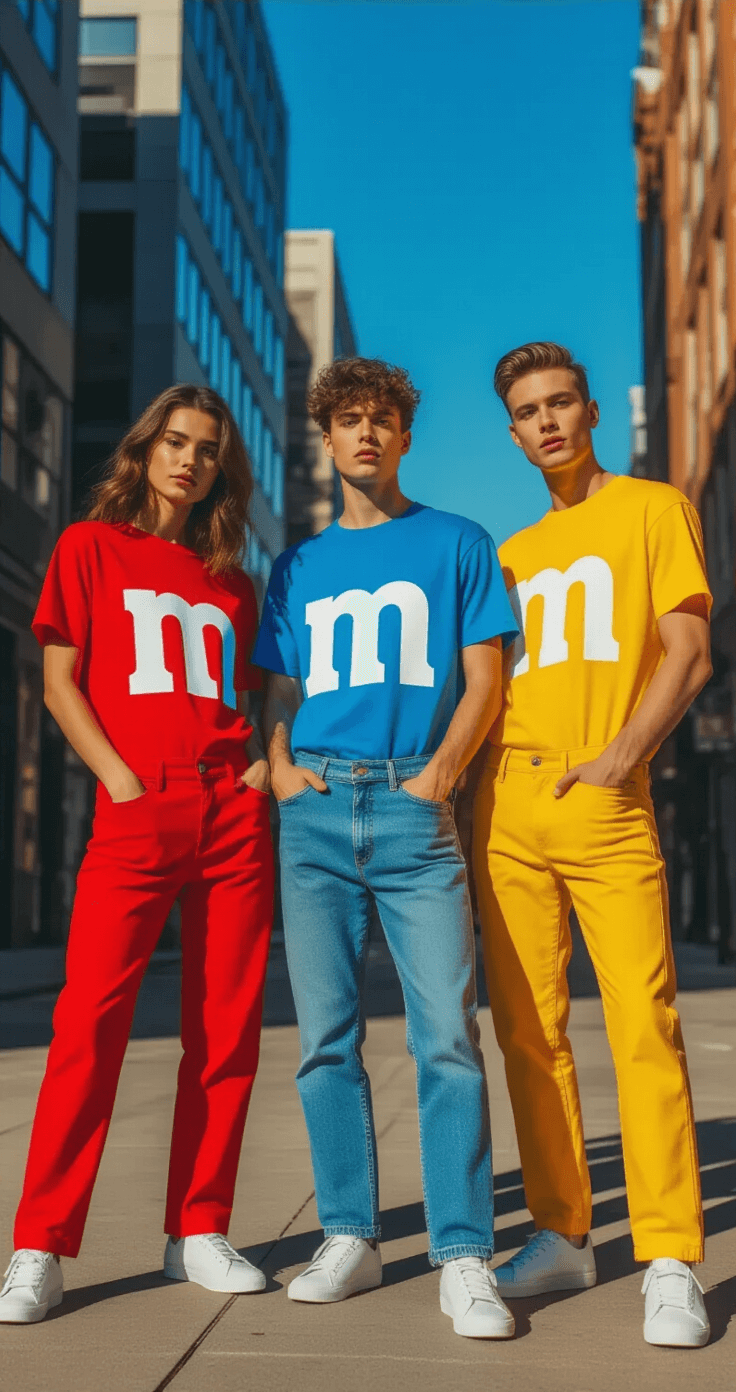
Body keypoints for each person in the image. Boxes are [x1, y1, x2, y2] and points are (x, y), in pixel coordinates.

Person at [254, 357, 519, 1339]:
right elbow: (276, 686)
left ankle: (461, 1254)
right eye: (348, 421)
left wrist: (441, 776)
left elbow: (483, 680)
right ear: (325, 440)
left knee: (445, 1038)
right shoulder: (300, 565)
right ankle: (350, 1238)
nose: (366, 434)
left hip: (414, 807)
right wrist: (278, 766)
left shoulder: (457, 543)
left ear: (405, 436)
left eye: (383, 421)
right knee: (325, 1041)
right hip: (316, 809)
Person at [0, 385, 274, 1324]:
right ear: (146, 448)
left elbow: (259, 690)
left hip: (229, 810)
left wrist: (256, 773)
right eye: (174, 441)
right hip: (137, 800)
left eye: (206, 449)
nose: (188, 459)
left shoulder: (233, 577)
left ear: (219, 470)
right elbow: (59, 682)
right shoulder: (89, 547)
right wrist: (117, 778)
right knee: (89, 1025)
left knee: (227, 1029)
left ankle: (196, 1229)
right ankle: (39, 1244)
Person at [472, 341, 712, 1348]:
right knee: (526, 1032)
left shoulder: (654, 508)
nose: (548, 422)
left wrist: (621, 756)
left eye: (562, 402)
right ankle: (563, 1232)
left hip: (604, 800)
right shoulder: (510, 554)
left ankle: (668, 1256)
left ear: (587, 412)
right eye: (528, 411)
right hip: (506, 806)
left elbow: (689, 651)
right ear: (513, 431)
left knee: (640, 1022)